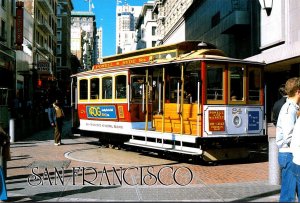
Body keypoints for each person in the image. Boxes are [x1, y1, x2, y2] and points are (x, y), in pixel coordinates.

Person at [276, 77, 300, 202]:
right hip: (290, 154)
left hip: (292, 154)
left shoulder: (293, 108)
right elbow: (289, 137)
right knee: (288, 197)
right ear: (298, 91)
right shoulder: (289, 110)